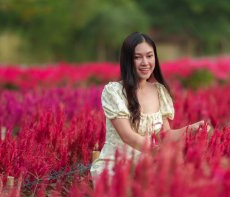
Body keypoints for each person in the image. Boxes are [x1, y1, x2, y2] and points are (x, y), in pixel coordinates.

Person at [90, 32, 210, 183]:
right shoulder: (113, 91)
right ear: (127, 61)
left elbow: (164, 135)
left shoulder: (159, 91)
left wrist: (191, 129)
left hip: (148, 164)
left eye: (149, 56)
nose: (145, 62)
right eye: (137, 57)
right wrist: (159, 153)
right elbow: (127, 136)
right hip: (116, 167)